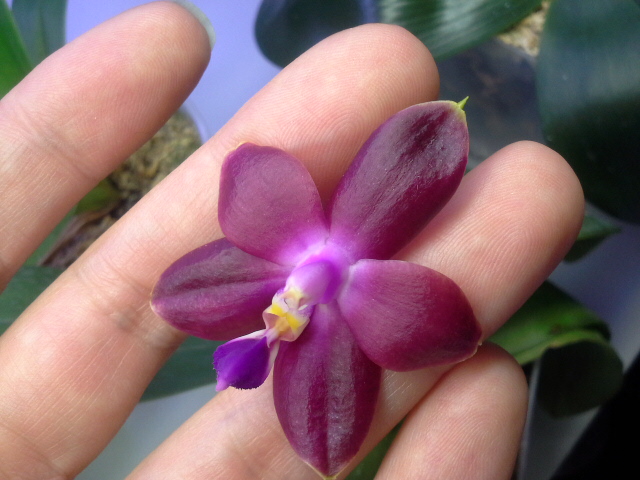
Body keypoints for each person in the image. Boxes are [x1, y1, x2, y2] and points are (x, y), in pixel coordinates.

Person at [0, 2, 584, 478]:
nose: (287, 306)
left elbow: (446, 331)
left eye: (285, 306)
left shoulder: (284, 216)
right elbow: (184, 292)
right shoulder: (261, 254)